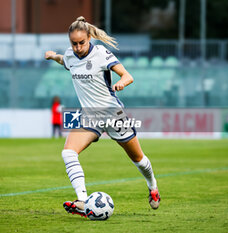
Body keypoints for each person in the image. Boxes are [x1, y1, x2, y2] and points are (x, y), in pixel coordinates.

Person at [45, 16, 160, 217]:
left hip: (112, 114)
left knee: (139, 159)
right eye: (74, 44)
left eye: (82, 43)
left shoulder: (101, 54)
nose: (78, 47)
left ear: (89, 37)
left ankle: (153, 187)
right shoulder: (71, 56)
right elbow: (65, 61)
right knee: (68, 153)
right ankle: (82, 201)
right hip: (90, 116)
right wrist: (54, 56)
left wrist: (121, 83)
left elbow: (128, 75)